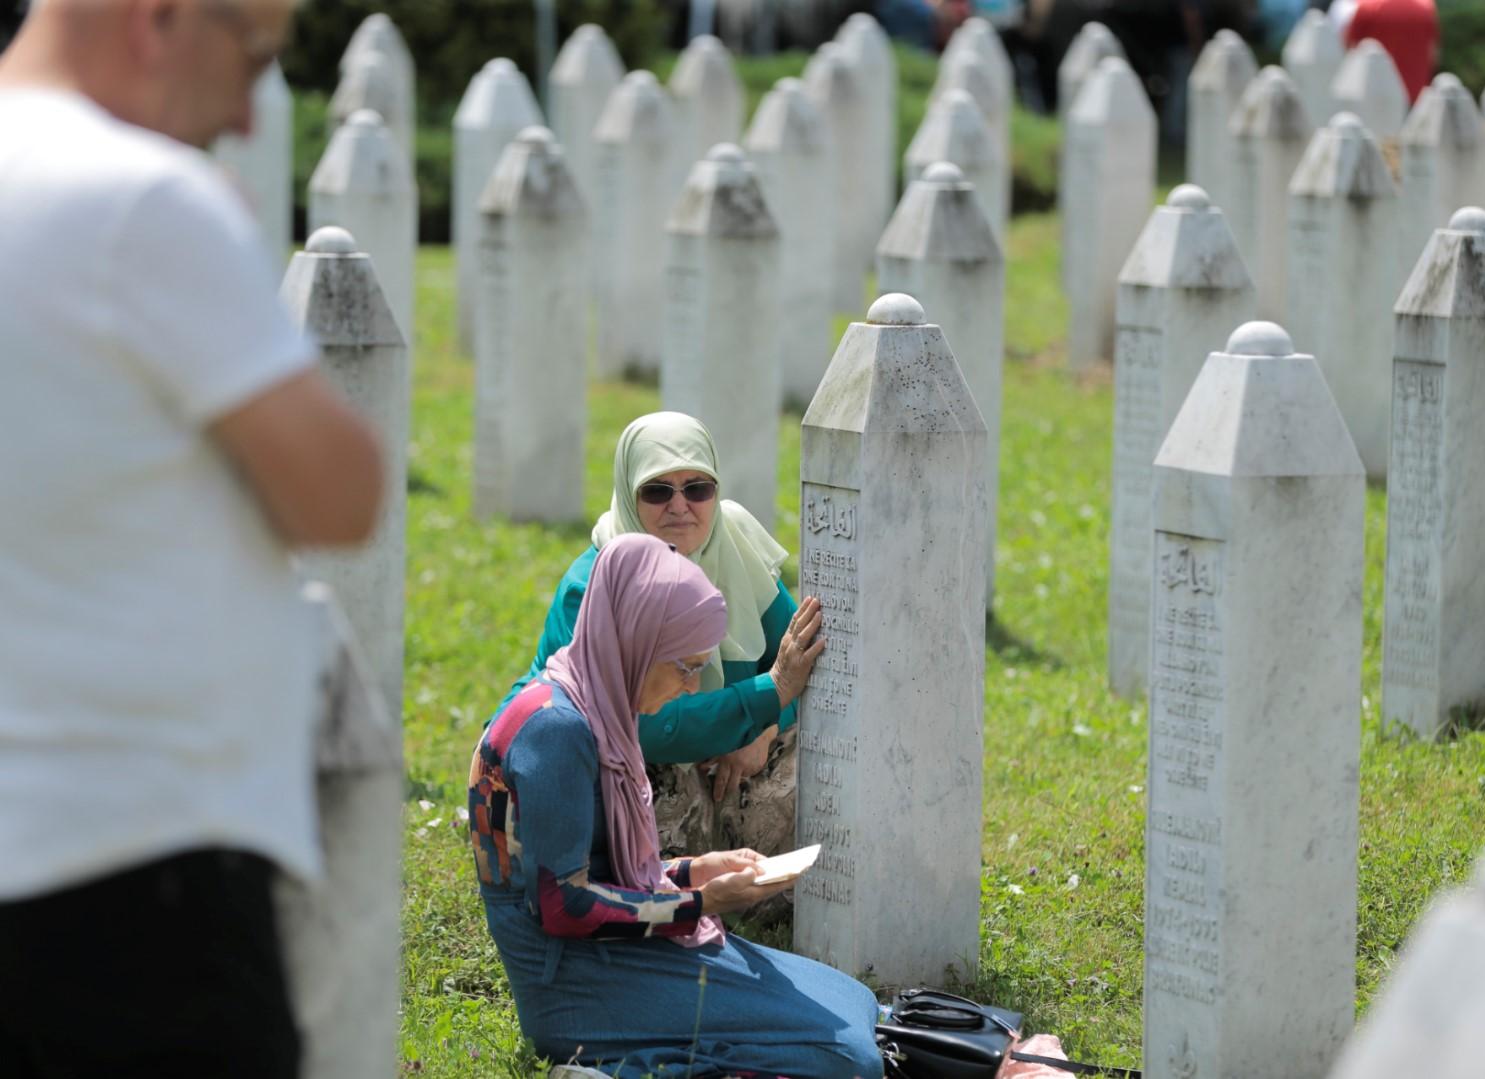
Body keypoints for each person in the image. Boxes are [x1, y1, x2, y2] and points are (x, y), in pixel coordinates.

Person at [0, 2, 383, 1076]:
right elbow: (341, 493)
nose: (248, 120)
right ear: (159, 15)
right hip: (137, 872)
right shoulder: (140, 201)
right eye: (253, 58)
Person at [472, 533, 883, 1077]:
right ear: (634, 644)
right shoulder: (556, 732)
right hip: (575, 984)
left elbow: (597, 866)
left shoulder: (591, 703)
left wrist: (694, 871)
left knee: (854, 1003)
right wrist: (702, 903)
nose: (692, 687)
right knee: (846, 1060)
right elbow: (561, 905)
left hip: (613, 950)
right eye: (684, 667)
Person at [495, 412, 824, 860]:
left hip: (721, 751)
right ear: (629, 495)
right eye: (656, 490)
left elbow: (802, 661)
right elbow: (640, 726)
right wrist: (765, 698)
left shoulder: (735, 543)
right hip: (610, 766)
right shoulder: (595, 585)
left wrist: (765, 726)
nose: (679, 505)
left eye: (697, 488)